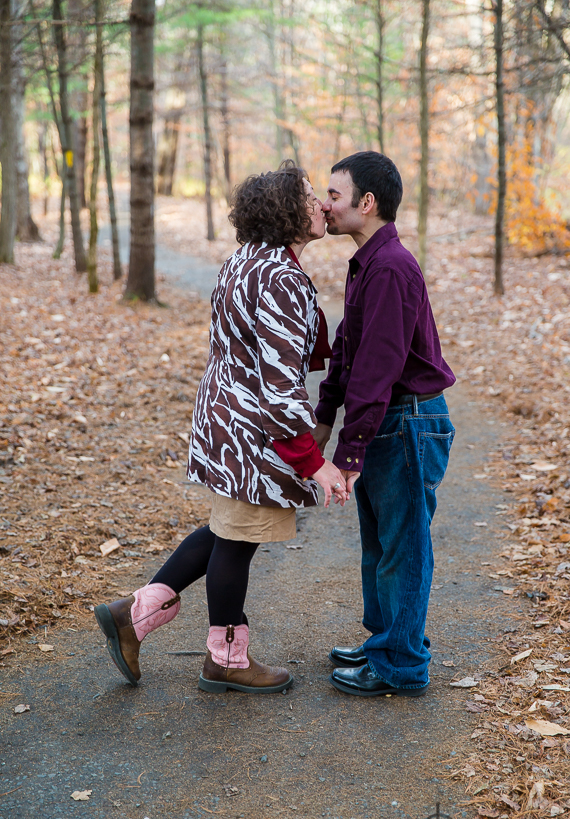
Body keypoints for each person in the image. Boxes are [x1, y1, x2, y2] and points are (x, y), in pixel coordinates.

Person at [95, 161, 347, 695]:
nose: (323, 205)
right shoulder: (278, 277)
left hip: (227, 423)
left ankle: (133, 614)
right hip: (251, 434)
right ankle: (226, 658)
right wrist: (313, 462)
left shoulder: (246, 260)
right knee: (237, 540)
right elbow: (280, 389)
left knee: (226, 529)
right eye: (309, 197)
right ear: (286, 212)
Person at [312, 151, 456, 698]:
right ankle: (385, 640)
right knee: (380, 543)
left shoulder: (392, 267)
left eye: (333, 194)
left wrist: (349, 451)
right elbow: (348, 347)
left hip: (410, 422)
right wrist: (326, 417)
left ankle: (400, 662)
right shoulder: (368, 261)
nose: (325, 205)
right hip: (391, 423)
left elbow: (378, 366)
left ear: (366, 203)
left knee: (403, 545)